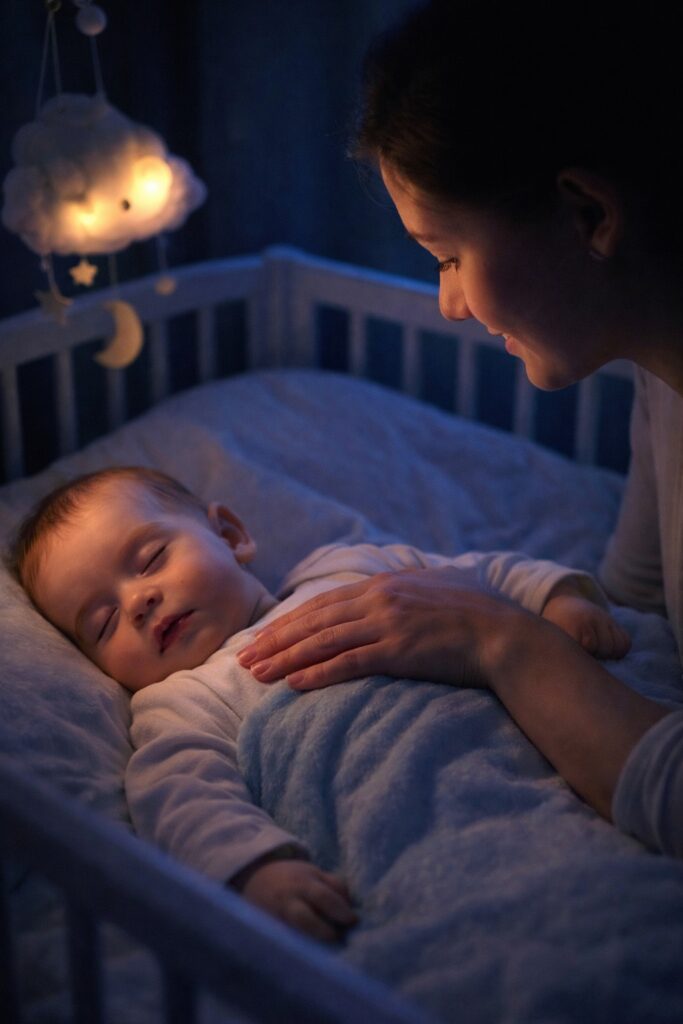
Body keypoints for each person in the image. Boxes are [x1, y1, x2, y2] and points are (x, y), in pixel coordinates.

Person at [236, 0, 683, 859]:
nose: (447, 305)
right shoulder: (660, 381)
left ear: (588, 213)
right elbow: (636, 613)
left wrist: (493, 637)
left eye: (447, 256)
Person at [11, 465, 629, 940]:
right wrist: (255, 870)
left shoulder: (344, 568)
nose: (138, 601)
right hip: (411, 827)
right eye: (102, 621)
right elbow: (181, 793)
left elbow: (478, 576)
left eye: (150, 560)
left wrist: (557, 602)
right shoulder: (181, 700)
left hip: (536, 754)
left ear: (230, 534)